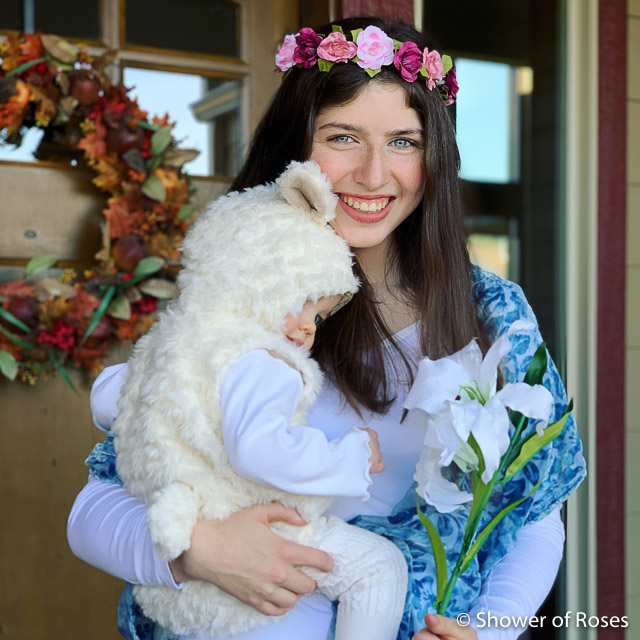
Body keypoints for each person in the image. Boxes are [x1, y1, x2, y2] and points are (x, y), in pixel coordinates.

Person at [68, 16, 586, 640]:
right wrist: (195, 551)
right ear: (297, 151)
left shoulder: (492, 314)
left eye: (404, 141)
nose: (373, 174)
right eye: (343, 136)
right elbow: (93, 509)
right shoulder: (236, 300)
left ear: (436, 155)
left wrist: (491, 631)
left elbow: (533, 511)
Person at [109, 159, 407, 640]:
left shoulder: (178, 342)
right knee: (378, 568)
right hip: (256, 528)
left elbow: (111, 400)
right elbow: (259, 449)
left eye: (320, 314)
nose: (309, 325)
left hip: (191, 522)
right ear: (255, 283)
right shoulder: (266, 362)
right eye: (302, 301)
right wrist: (347, 456)